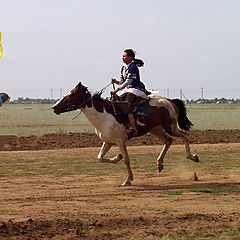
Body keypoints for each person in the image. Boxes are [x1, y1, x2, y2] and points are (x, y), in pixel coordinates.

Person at [111, 49, 149, 137]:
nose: (122, 58)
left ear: (130, 57)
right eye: (123, 56)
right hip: (127, 89)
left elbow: (129, 81)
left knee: (126, 104)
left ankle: (133, 127)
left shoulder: (133, 67)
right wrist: (116, 82)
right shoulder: (123, 68)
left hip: (135, 89)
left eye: (124, 56)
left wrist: (117, 90)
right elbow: (122, 81)